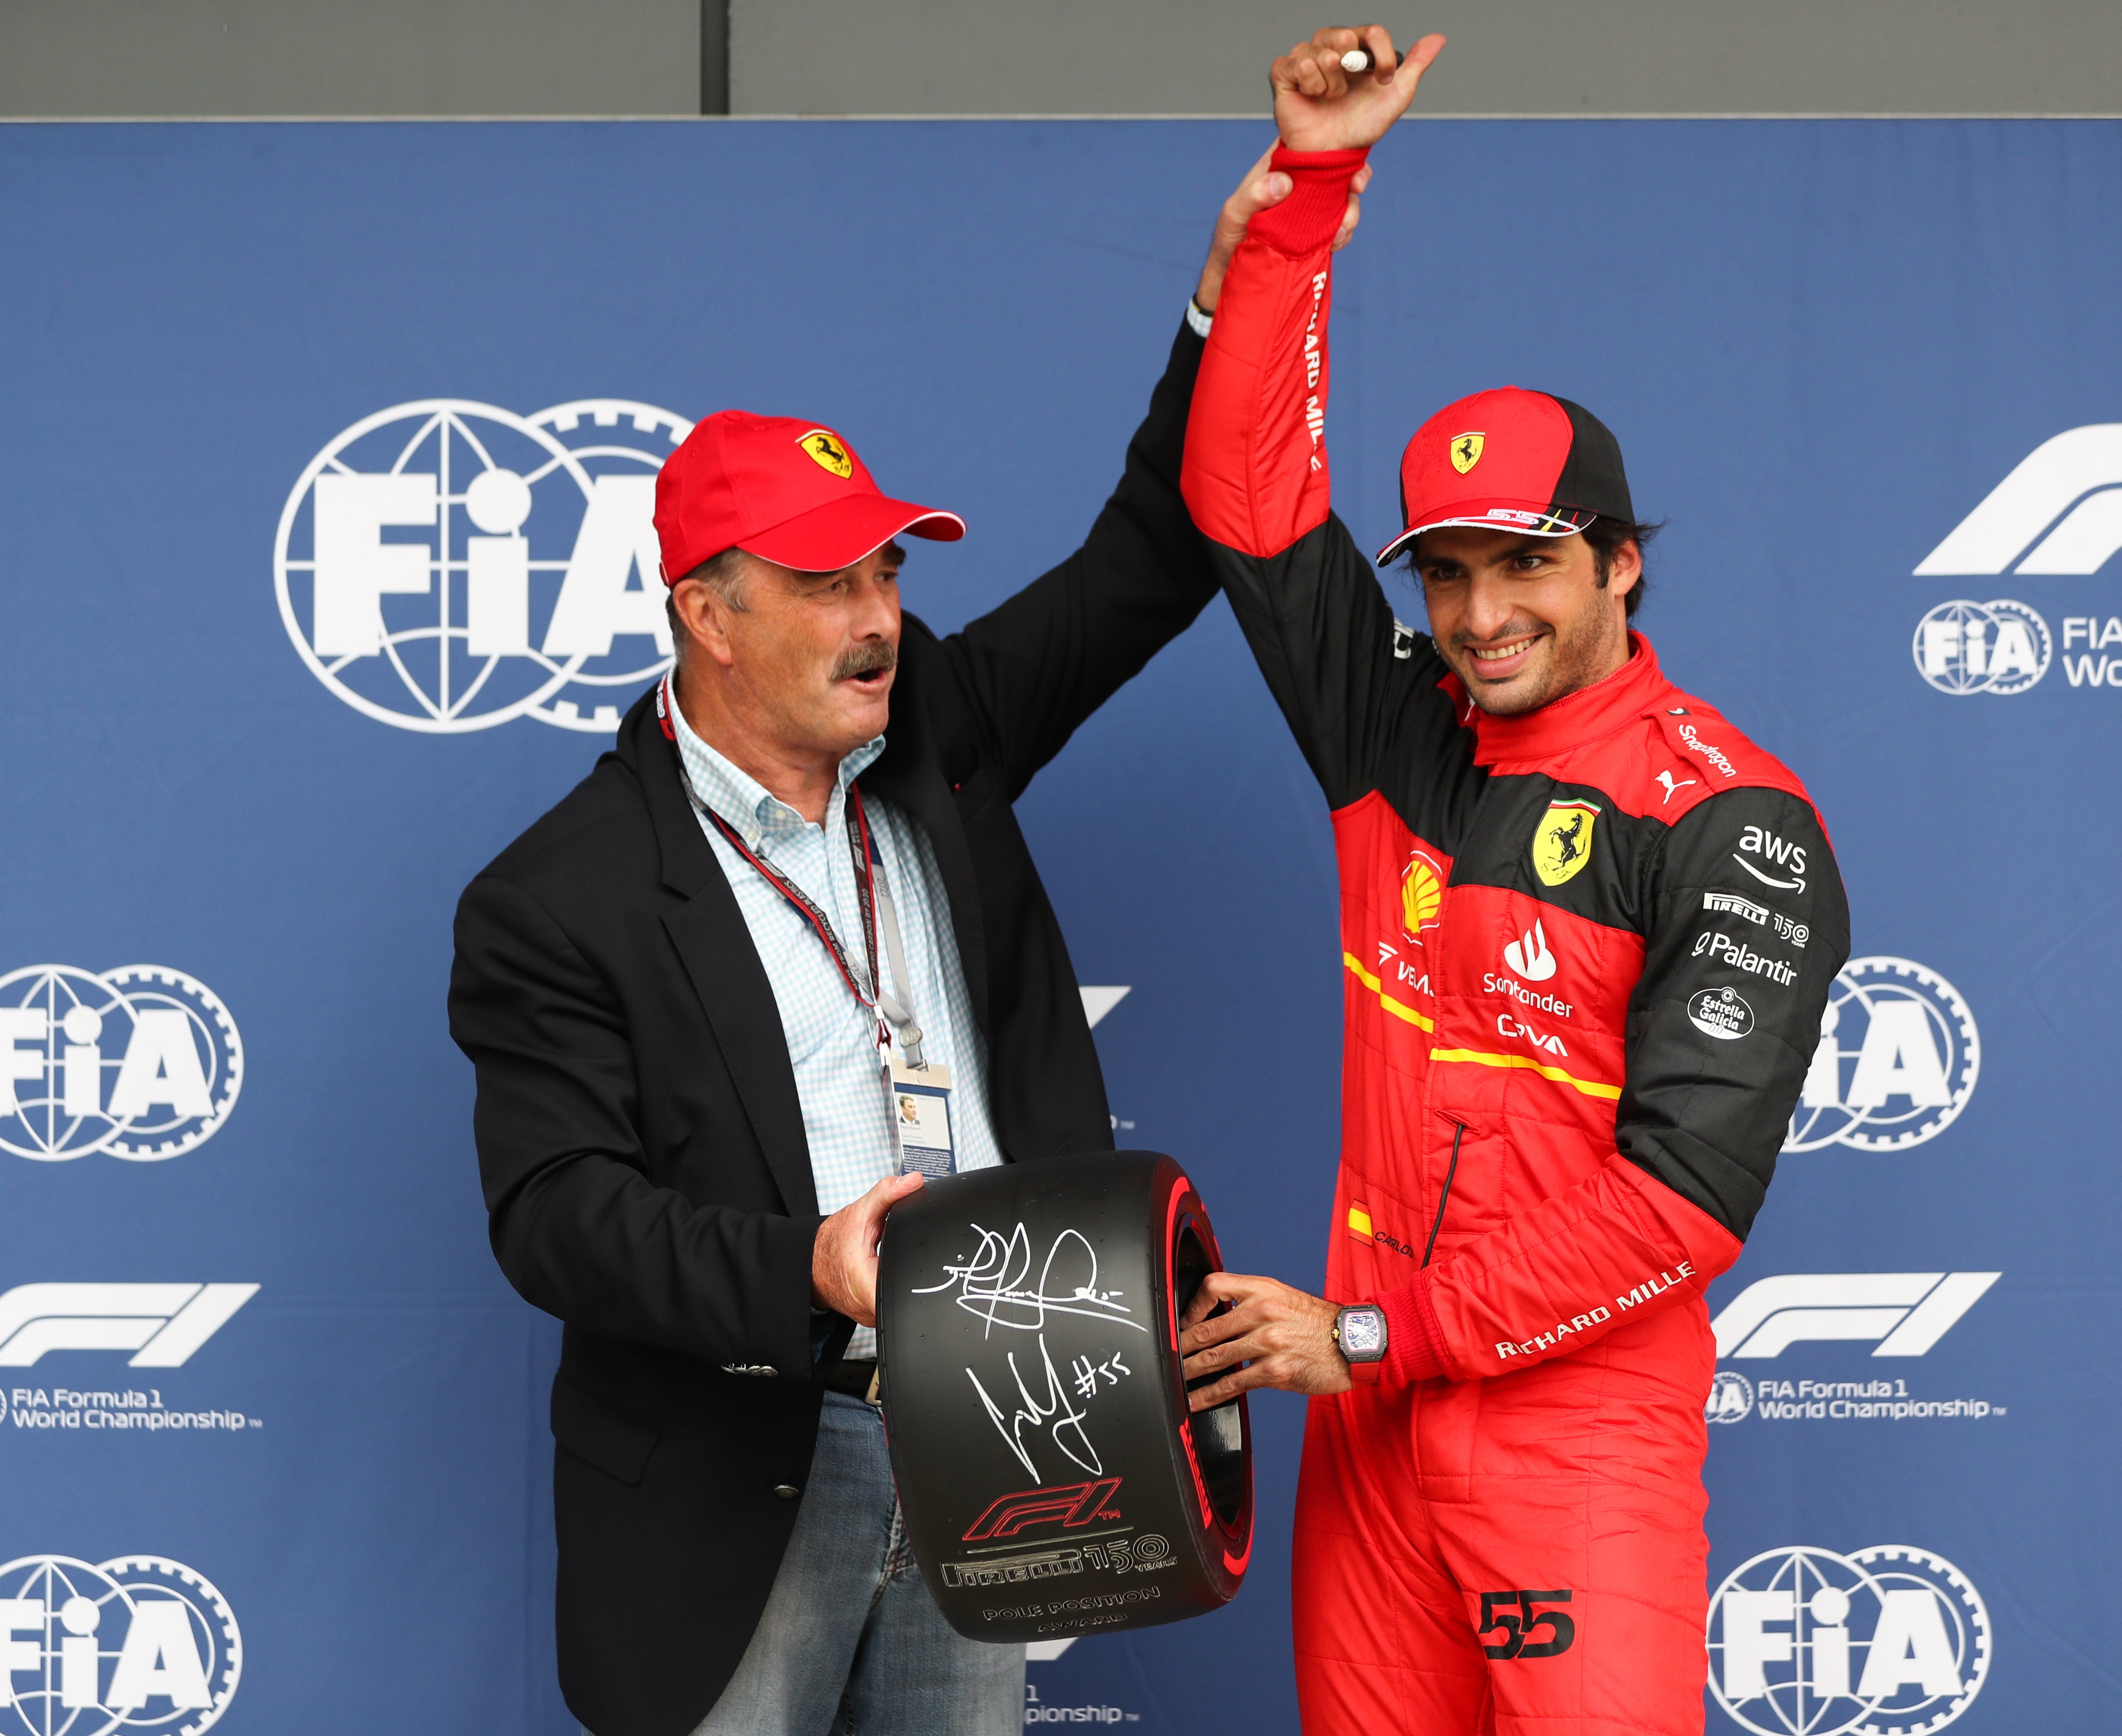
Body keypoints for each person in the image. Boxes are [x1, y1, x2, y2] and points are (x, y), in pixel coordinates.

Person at [445, 138, 1370, 1736]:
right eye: (822, 581)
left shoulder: (938, 723)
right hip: (736, 1481)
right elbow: (556, 1219)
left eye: (882, 566)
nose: (875, 614)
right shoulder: (558, 895)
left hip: (1000, 1438)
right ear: (706, 614)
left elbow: (1151, 554)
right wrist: (805, 1270)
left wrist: (1246, 271)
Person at [1173, 27, 1853, 1736]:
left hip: (1567, 1433)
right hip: (1370, 1427)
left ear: (1620, 562)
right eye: (1450, 575)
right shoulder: (1394, 734)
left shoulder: (1733, 819)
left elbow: (1680, 1207)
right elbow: (1246, 498)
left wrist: (1378, 1332)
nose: (1482, 616)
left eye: (1530, 566)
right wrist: (1310, 189)